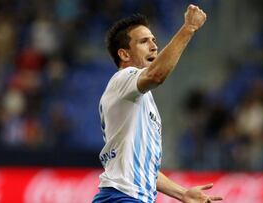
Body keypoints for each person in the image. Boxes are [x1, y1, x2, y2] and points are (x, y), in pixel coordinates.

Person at [93, 4, 223, 203]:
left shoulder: (139, 100)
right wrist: (188, 28)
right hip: (123, 197)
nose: (154, 45)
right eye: (144, 41)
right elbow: (156, 74)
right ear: (124, 54)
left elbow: (144, 169)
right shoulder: (123, 78)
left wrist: (183, 194)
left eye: (154, 40)